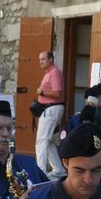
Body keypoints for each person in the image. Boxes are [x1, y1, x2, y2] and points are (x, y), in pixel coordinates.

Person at [34, 49, 66, 178]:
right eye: (40, 60)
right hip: (49, 109)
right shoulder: (49, 73)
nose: (41, 62)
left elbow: (57, 93)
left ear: (51, 59)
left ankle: (40, 170)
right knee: (51, 141)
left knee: (41, 140)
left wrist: (41, 93)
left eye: (43, 59)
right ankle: (58, 168)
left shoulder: (54, 73)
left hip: (51, 108)